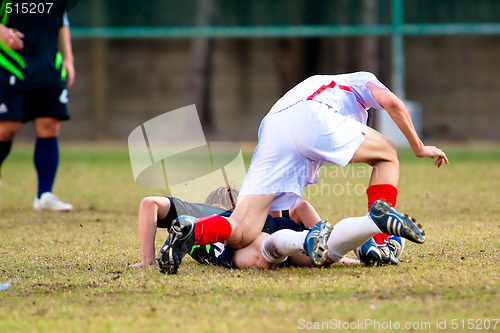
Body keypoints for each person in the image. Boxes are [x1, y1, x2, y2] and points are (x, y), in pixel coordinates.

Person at [159, 72, 448, 274]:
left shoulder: (317, 85)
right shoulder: (360, 80)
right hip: (311, 115)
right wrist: (419, 146)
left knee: (243, 227)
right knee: (388, 156)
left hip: (272, 127)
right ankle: (381, 241)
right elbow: (392, 103)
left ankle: (194, 230)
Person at [130, 187, 333, 269]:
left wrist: (147, 261)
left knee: (263, 256)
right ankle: (334, 251)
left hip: (243, 242)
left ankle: (329, 249)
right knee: (314, 258)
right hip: (252, 239)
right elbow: (302, 207)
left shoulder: (199, 213)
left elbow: (150, 203)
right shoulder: (206, 214)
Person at [0, 1, 75, 211]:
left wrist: (68, 59)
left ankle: (44, 195)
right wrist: (3, 32)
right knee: (6, 128)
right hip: (9, 64)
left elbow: (62, 22)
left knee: (49, 125)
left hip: (48, 64)